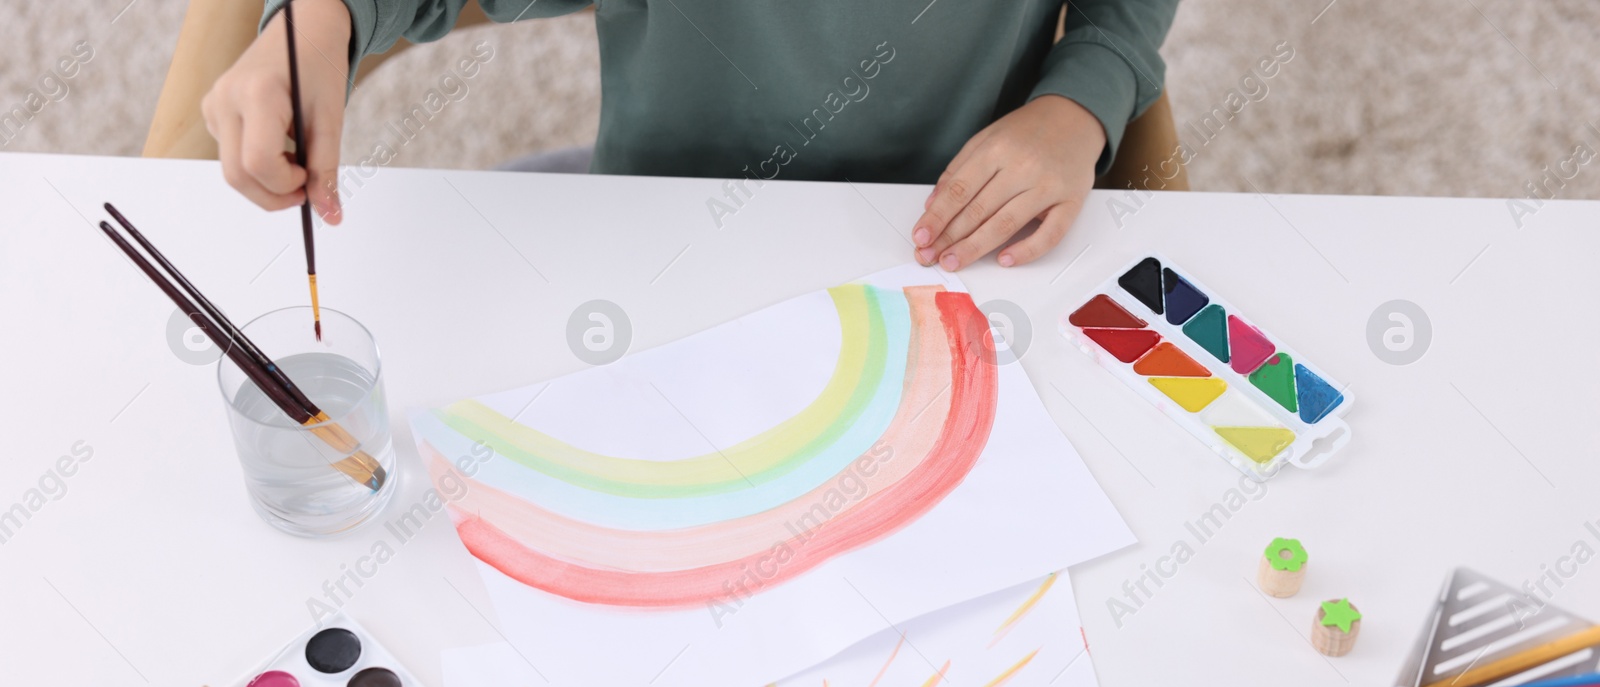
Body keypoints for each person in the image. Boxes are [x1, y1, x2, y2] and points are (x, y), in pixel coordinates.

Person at [205, 0, 1175, 270]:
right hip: (660, 251)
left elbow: (1118, 23)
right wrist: (318, 20)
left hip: (954, 239)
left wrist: (1082, 101)